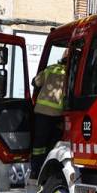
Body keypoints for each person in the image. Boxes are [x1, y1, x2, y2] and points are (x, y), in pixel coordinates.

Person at [30, 48, 68, 183]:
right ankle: (49, 169)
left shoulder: (50, 69)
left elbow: (35, 82)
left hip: (42, 113)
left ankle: (35, 171)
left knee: (38, 144)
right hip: (58, 115)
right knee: (54, 143)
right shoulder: (71, 72)